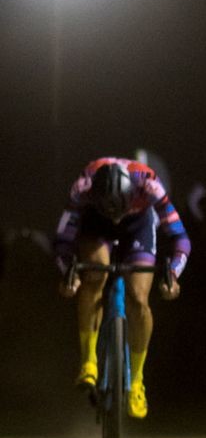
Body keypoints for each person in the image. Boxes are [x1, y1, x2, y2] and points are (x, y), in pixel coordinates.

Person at [54, 158, 190, 419]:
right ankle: (88, 362)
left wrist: (172, 273)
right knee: (94, 274)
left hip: (138, 224)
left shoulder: (150, 186)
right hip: (96, 224)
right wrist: (69, 274)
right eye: (109, 209)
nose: (115, 216)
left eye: (118, 209)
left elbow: (180, 238)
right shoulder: (82, 187)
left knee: (138, 298)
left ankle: (137, 380)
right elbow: (63, 239)